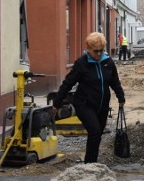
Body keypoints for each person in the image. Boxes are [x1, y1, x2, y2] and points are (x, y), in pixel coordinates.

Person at [52, 32, 125, 163]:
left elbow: (114, 80)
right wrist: (56, 103)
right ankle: (89, 165)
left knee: (97, 135)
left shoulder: (108, 62)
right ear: (88, 48)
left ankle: (92, 162)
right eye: (96, 51)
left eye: (101, 51)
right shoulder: (81, 63)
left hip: (102, 106)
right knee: (95, 132)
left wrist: (121, 97)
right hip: (84, 105)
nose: (98, 54)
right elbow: (68, 83)